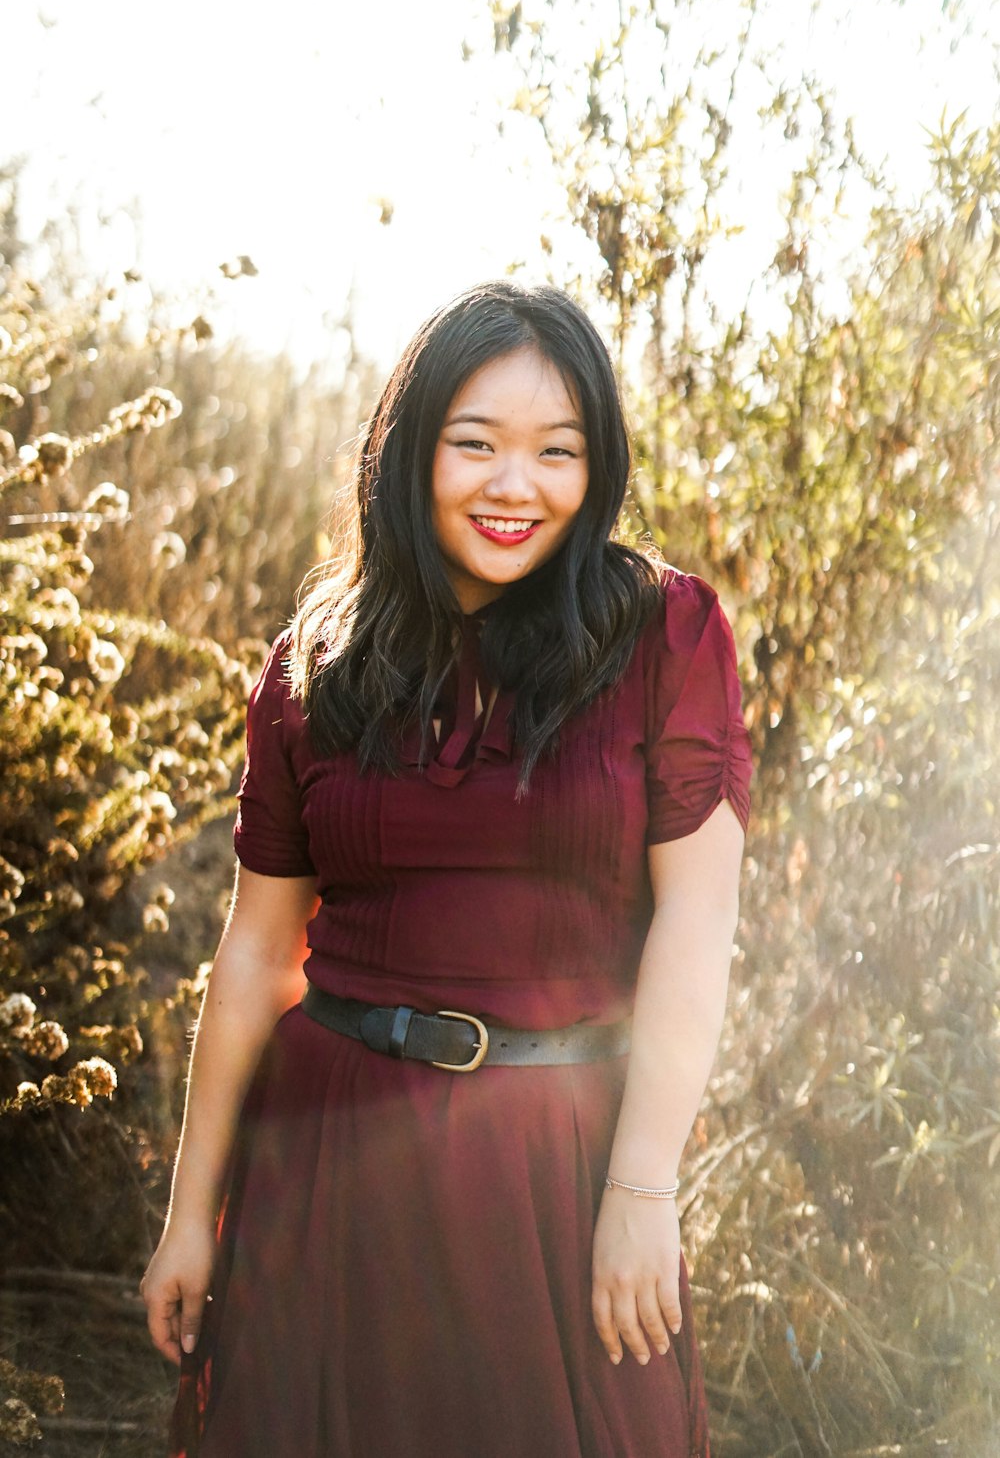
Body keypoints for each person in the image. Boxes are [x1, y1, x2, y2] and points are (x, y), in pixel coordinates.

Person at [141, 280, 753, 1458]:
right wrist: (189, 1214)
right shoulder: (316, 663)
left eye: (555, 452)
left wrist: (642, 1188)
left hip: (558, 1167)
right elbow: (259, 950)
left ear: (597, 466)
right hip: (330, 1158)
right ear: (410, 451)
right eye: (474, 444)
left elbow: (696, 928)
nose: (513, 485)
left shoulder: (664, 638)